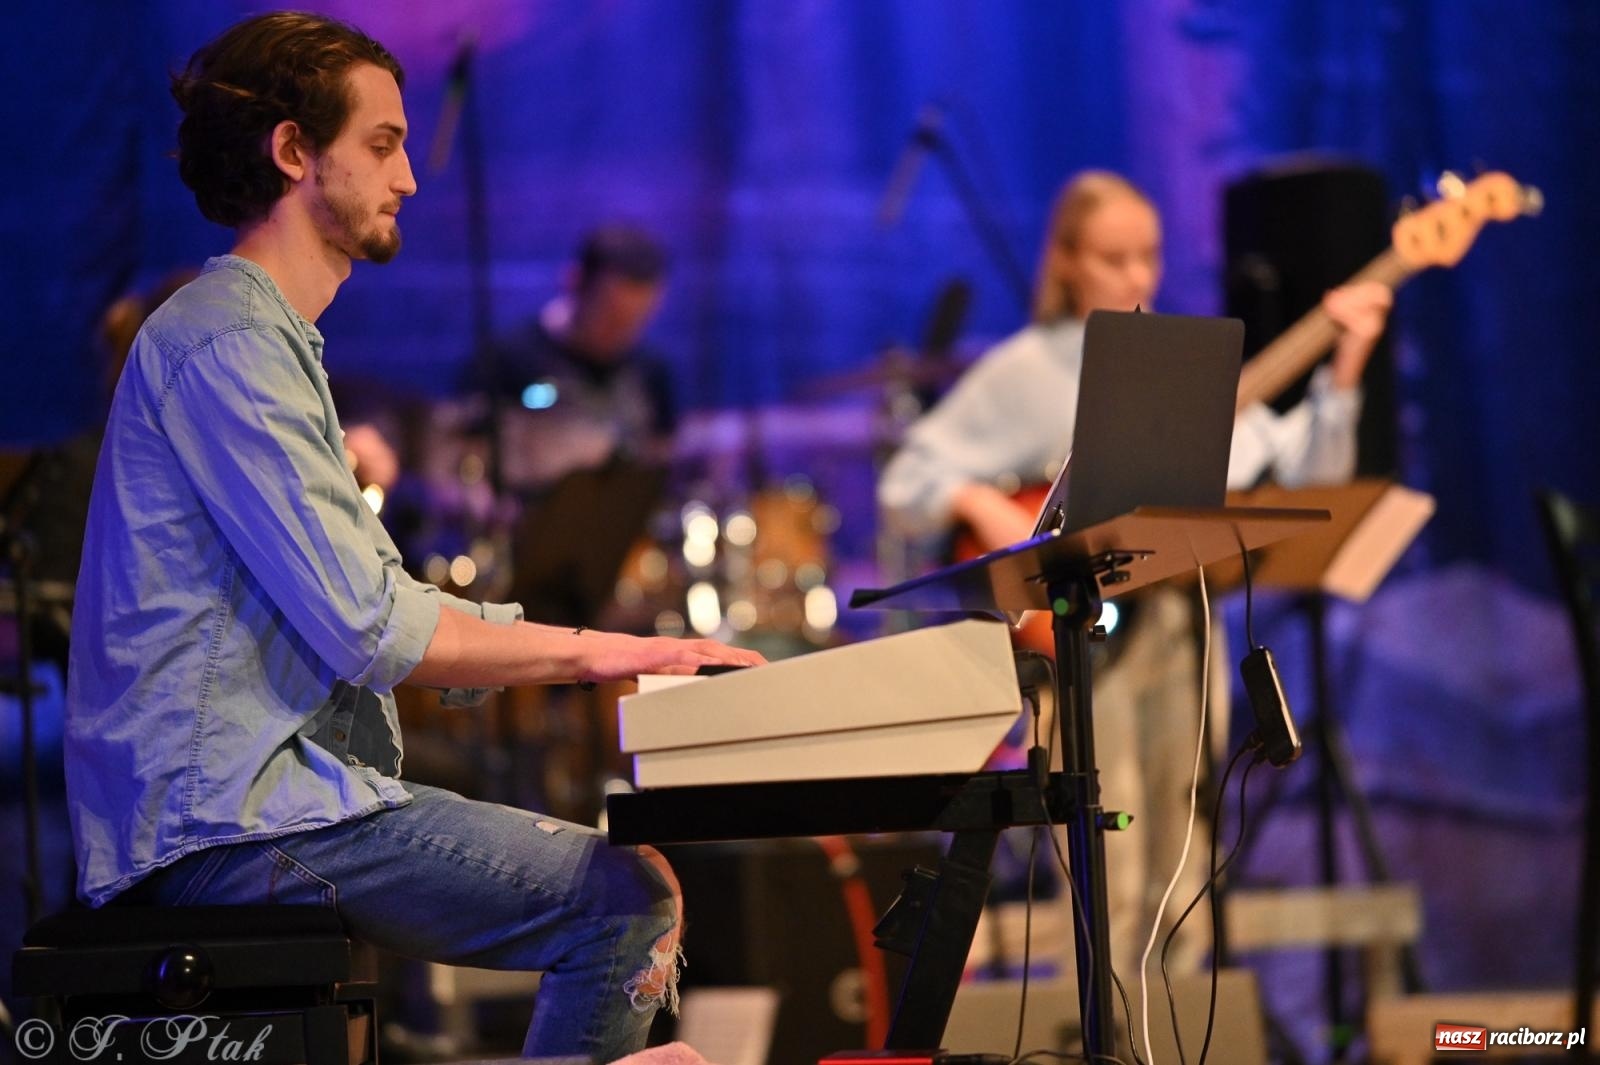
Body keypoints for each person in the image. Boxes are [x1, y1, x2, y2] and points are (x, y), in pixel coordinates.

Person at [63, 13, 762, 1062]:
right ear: (295, 152)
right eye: (383, 145)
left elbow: (369, 605)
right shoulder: (229, 340)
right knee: (627, 896)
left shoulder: (264, 342)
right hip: (229, 827)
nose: (410, 180)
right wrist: (604, 651)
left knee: (631, 899)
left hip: (270, 807)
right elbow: (370, 626)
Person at [878, 170, 1392, 981]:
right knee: (1107, 863)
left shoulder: (1177, 361)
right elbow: (907, 481)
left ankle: (1176, 1027)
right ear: (1069, 260)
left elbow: (1306, 471)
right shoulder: (1026, 371)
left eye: (1149, 256)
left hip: (1181, 624)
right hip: (1084, 638)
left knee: (1186, 858)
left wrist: (1348, 360)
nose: (1136, 277)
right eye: (1115, 258)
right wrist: (984, 500)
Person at [467, 224, 679, 490]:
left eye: (637, 321)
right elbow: (467, 459)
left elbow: (661, 456)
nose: (622, 333)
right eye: (611, 316)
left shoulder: (652, 369)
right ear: (575, 282)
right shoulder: (507, 360)